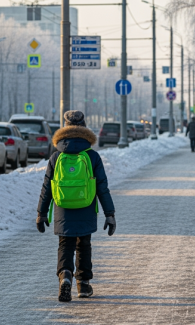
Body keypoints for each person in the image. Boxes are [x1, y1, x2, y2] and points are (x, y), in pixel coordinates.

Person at [37, 111, 116, 302]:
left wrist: (41, 213)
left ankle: (65, 276)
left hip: (62, 207)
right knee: (84, 244)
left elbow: (47, 187)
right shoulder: (92, 156)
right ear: (85, 127)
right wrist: (109, 213)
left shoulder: (56, 156)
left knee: (65, 244)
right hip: (86, 206)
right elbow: (102, 187)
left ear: (65, 128)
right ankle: (83, 285)